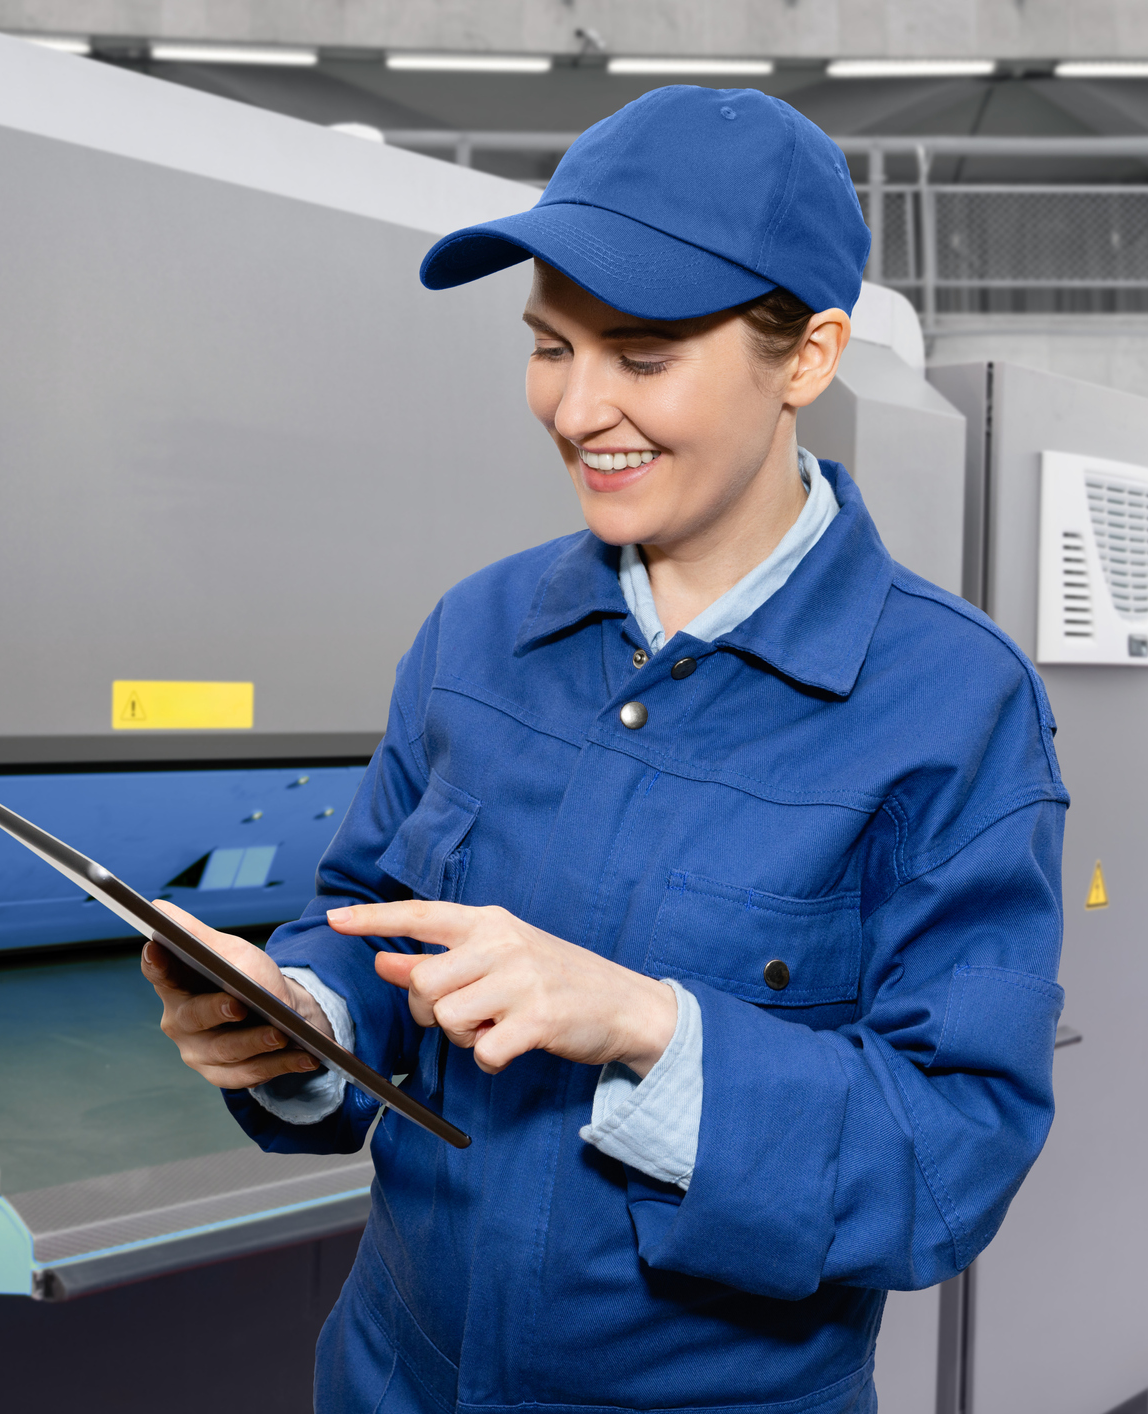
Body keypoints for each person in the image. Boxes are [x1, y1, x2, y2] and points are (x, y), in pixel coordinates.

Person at [144, 86, 1067, 1414]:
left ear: (805, 356)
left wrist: (646, 1023)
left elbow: (950, 1158)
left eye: (638, 357)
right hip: (392, 1377)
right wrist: (302, 1017)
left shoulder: (951, 706)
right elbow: (359, 923)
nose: (575, 410)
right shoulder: (476, 633)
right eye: (547, 345)